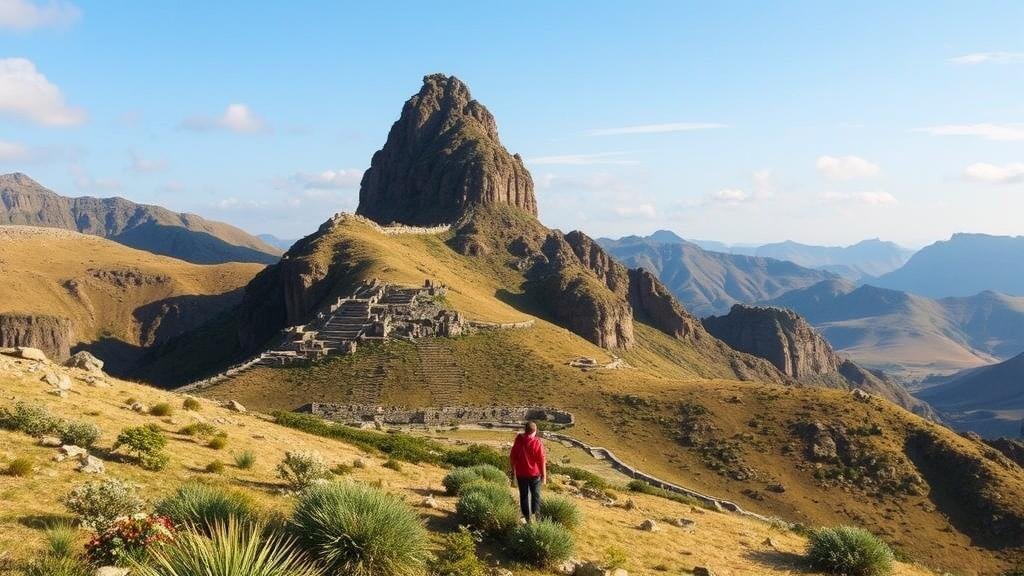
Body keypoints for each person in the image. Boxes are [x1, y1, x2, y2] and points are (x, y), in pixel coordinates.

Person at [509, 420, 546, 523]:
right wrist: (544, 476)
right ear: (535, 431)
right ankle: (536, 518)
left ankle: (527, 519)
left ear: (525, 430)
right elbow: (542, 460)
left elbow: (513, 457)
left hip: (521, 474)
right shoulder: (537, 442)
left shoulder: (518, 440)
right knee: (536, 496)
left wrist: (513, 472)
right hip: (535, 474)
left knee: (524, 496)